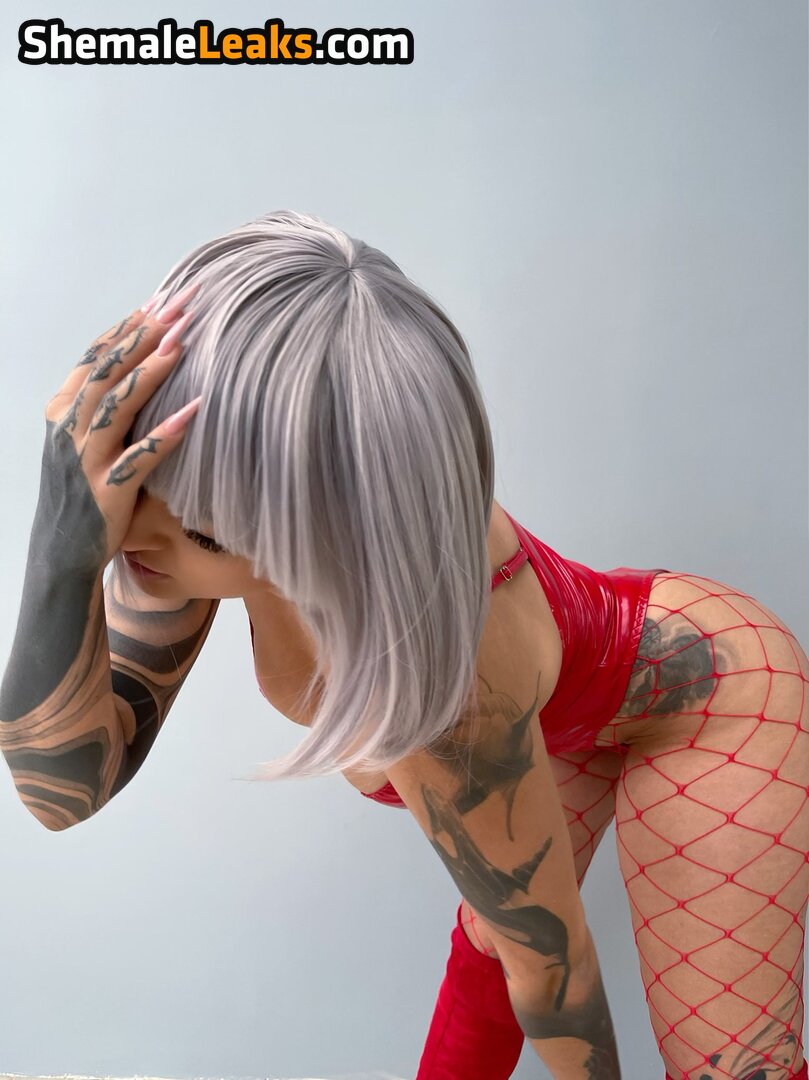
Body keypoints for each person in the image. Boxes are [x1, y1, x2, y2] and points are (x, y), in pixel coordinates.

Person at [0, 210, 806, 1080]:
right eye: (138, 476)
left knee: (729, 1063)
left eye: (201, 526)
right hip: (553, 698)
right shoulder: (172, 519)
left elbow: (555, 972)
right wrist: (60, 550)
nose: (127, 533)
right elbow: (64, 792)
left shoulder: (435, 676)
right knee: (495, 934)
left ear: (327, 524)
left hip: (709, 698)